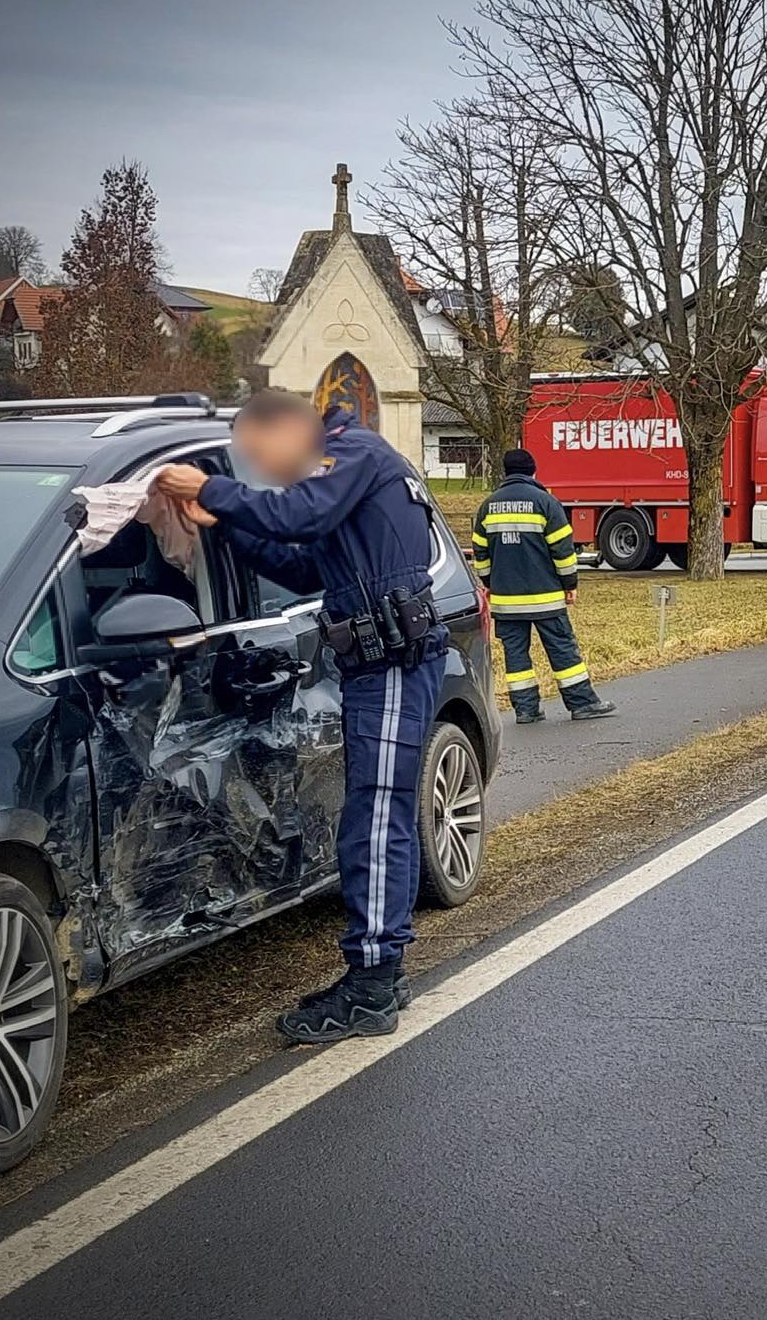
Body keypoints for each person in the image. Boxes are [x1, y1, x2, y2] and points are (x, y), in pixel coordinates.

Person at [154, 389, 448, 1044]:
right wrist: (223, 520)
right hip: (377, 663)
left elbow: (299, 513)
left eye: (262, 454)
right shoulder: (344, 468)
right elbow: (297, 559)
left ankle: (371, 985)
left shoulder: (351, 454)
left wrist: (216, 489)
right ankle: (381, 970)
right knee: (374, 818)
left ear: (290, 430)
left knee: (374, 821)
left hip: (393, 662)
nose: (267, 470)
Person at [472, 448, 615, 723]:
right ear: (532, 471)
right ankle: (582, 703)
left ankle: (526, 710)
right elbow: (563, 551)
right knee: (562, 650)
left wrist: (491, 583)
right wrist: (570, 584)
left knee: (516, 658)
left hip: (506, 601)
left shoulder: (487, 507)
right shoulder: (545, 503)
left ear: (505, 472)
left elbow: (481, 555)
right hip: (546, 598)